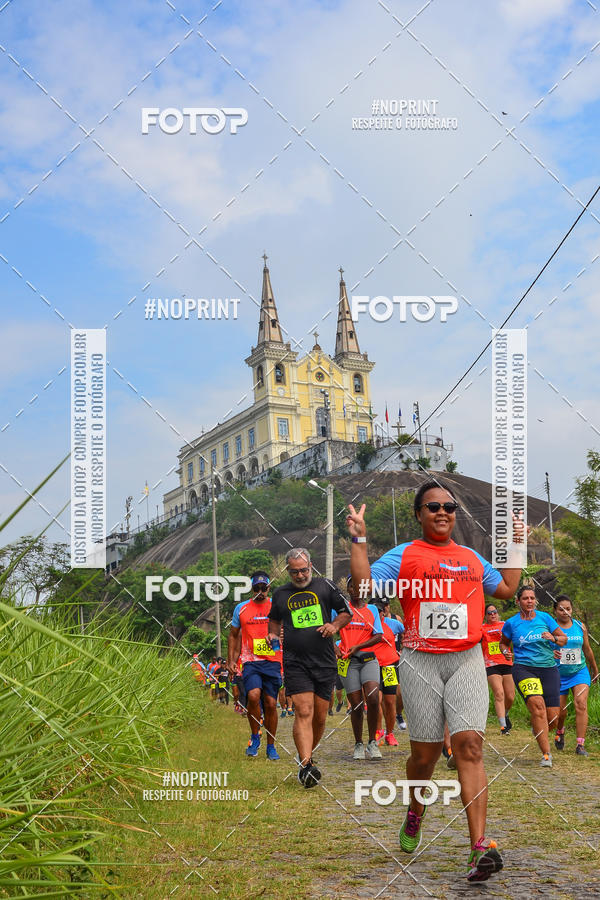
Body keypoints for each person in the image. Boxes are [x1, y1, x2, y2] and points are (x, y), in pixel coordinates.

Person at [348, 480, 526, 882]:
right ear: (419, 514)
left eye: (448, 506)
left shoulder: (471, 558)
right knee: (424, 758)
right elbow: (361, 589)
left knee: (470, 747)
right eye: (432, 507)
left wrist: (517, 544)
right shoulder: (404, 555)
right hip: (419, 661)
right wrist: (358, 540)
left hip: (466, 659)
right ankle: (415, 810)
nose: (442, 512)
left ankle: (478, 847)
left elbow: (508, 589)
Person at [268, 548, 351, 788]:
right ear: (288, 571)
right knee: (304, 711)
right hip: (295, 661)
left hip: (324, 661)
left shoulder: (325, 586)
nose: (300, 575)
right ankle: (306, 765)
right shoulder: (280, 593)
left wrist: (334, 625)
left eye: (304, 570)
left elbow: (347, 613)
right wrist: (273, 635)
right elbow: (274, 619)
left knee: (320, 717)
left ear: (311, 566)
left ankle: (307, 756)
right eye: (294, 572)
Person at [500, 585, 566, 768]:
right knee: (537, 707)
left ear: (535, 600)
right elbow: (504, 644)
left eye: (532, 598)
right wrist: (506, 652)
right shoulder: (511, 623)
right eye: (525, 598)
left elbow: (563, 639)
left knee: (552, 718)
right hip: (524, 669)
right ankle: (546, 755)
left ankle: (539, 728)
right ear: (518, 601)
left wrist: (553, 639)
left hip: (549, 669)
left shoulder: (545, 618)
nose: (529, 601)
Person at [228, 571, 282, 760]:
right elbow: (233, 634)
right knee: (253, 695)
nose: (260, 591)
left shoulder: (276, 605)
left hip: (273, 660)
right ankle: (254, 735)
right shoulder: (241, 608)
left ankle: (271, 746)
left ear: (268, 588)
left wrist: (283, 637)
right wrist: (231, 661)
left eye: (264, 588)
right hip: (250, 661)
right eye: (256, 588)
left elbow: (289, 627)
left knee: (271, 704)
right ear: (252, 588)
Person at [335, 575, 384, 760]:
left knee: (372, 698)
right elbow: (327, 628)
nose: (356, 590)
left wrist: (359, 646)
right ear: (348, 589)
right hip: (348, 662)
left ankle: (372, 742)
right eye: (352, 586)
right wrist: (335, 648)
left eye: (359, 587)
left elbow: (378, 635)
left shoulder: (372, 609)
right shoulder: (341, 610)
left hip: (369, 659)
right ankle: (358, 744)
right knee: (356, 704)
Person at [552, 594, 599, 756]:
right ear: (555, 611)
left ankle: (580, 745)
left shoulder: (580, 626)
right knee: (560, 711)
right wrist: (552, 653)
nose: (565, 612)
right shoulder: (550, 627)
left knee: (581, 703)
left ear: (572, 610)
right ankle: (560, 730)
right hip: (557, 674)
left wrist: (595, 669)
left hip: (579, 671)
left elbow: (587, 649)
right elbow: (543, 649)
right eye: (561, 609)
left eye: (568, 609)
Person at [371, 598, 404, 747]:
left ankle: (390, 733)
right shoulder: (367, 625)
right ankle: (378, 731)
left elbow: (406, 632)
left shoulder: (394, 624)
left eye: (380, 611)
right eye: (375, 611)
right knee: (376, 700)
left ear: (384, 612)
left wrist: (403, 648)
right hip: (372, 666)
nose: (379, 614)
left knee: (390, 702)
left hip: (390, 666)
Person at [482, 603, 515, 734]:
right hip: (491, 664)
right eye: (489, 613)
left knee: (510, 696)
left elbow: (515, 639)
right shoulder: (482, 628)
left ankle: (506, 715)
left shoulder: (505, 625)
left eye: (494, 612)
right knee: (499, 693)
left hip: (506, 662)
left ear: (498, 613)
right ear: (485, 616)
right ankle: (503, 727)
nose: (492, 614)